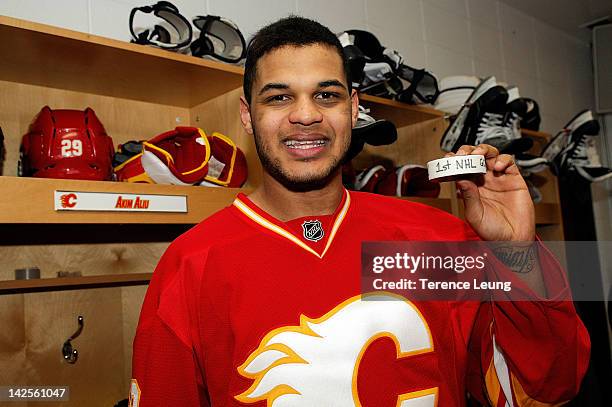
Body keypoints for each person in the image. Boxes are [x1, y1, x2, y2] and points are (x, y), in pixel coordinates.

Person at [130, 16, 590, 406]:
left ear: (353, 109)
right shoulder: (189, 264)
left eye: (326, 95)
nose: (306, 115)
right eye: (279, 97)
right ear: (248, 116)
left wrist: (516, 255)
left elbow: (546, 387)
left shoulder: (437, 241)